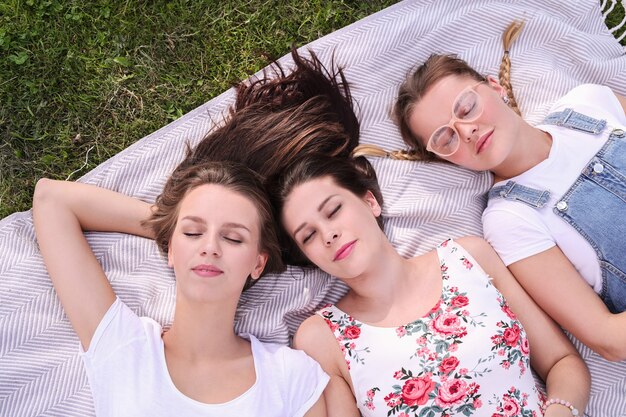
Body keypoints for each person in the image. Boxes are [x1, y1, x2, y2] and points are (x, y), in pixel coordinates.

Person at [270, 154, 590, 417]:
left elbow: (563, 363)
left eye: (334, 210)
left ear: (370, 203)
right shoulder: (321, 338)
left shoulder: (469, 257)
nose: (328, 234)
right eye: (308, 236)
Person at [382, 20, 626, 362]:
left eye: (466, 108)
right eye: (445, 138)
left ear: (496, 88)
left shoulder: (588, 103)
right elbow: (607, 337)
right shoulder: (509, 219)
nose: (465, 130)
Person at [32, 160, 328, 417]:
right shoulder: (123, 347)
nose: (210, 248)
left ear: (258, 264)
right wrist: (168, 226)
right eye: (193, 232)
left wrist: (182, 233)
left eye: (233, 239)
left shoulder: (291, 376)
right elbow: (52, 199)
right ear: (170, 249)